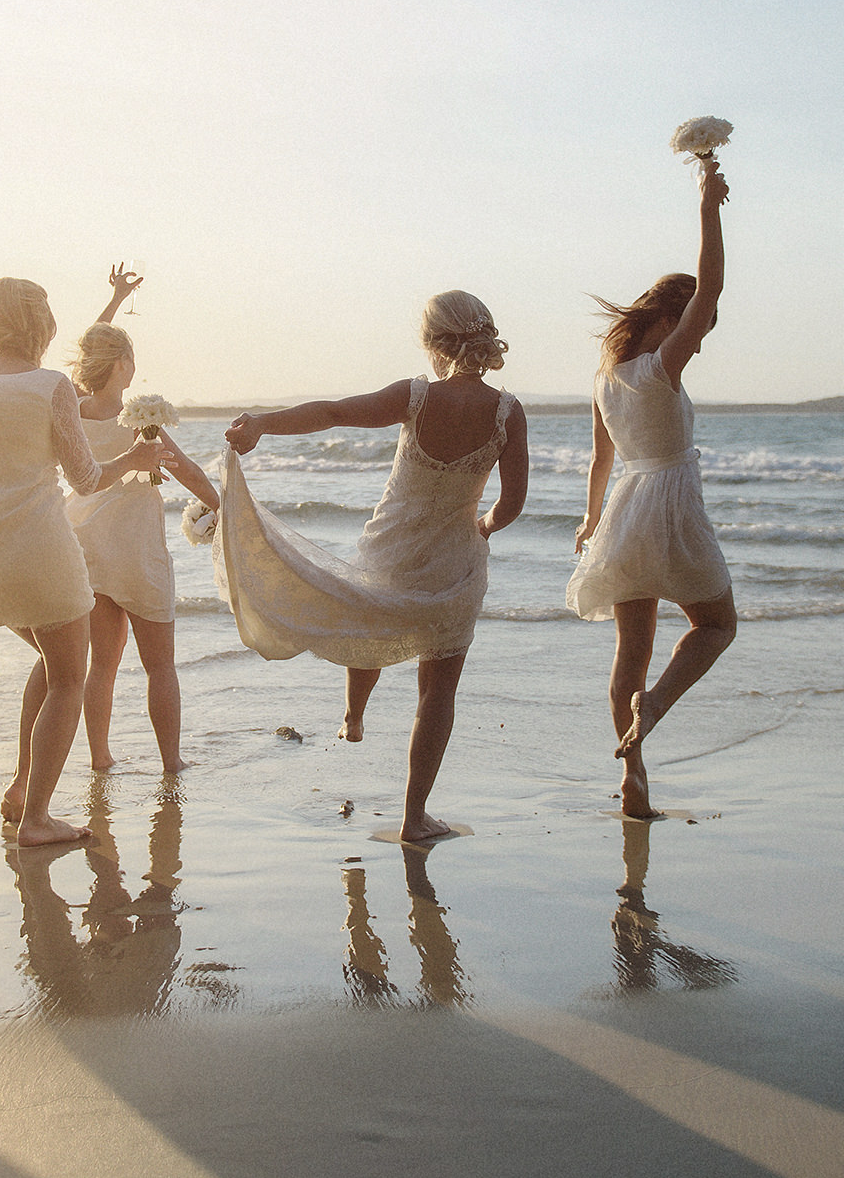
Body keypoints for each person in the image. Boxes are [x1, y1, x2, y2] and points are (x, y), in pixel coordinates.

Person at [218, 291, 528, 844]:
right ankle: (414, 816)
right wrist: (481, 527)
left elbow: (334, 413)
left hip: (393, 545)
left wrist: (264, 422)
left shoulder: (415, 398)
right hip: (455, 564)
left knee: (367, 617)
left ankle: (353, 715)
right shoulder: (508, 411)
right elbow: (512, 503)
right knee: (439, 689)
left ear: (433, 344)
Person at [0, 277, 164, 847]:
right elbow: (87, 480)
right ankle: (37, 819)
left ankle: (21, 788)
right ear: (40, 323)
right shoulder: (51, 386)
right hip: (38, 548)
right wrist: (135, 456)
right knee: (69, 677)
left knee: (51, 658)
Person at [566, 154, 739, 818]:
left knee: (628, 652)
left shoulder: (605, 378)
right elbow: (713, 288)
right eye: (698, 326)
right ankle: (657, 706)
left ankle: (632, 780)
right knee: (716, 625)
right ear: (676, 316)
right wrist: (707, 206)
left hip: (623, 514)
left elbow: (599, 462)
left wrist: (589, 523)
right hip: (673, 509)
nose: (701, 339)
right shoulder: (662, 364)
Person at [31, 264, 222, 775]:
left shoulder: (70, 406)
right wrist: (224, 507)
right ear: (121, 366)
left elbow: (87, 354)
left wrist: (114, 302)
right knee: (160, 666)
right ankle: (171, 760)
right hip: (137, 552)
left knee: (102, 666)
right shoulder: (142, 418)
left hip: (88, 549)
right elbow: (186, 473)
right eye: (129, 356)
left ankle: (100, 757)